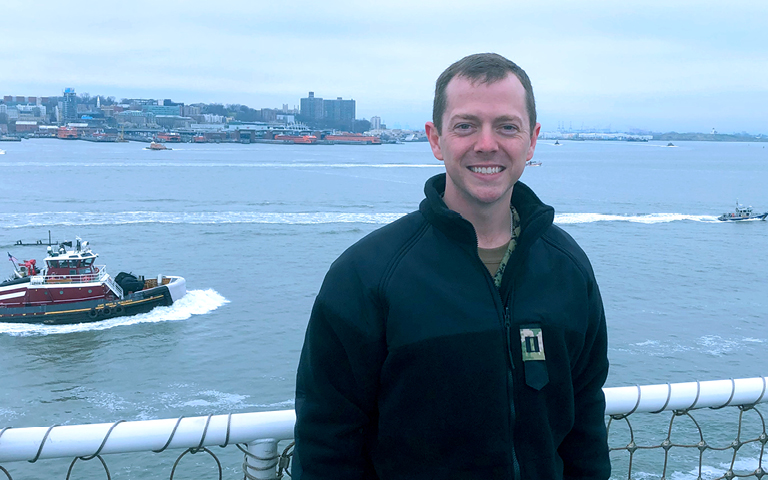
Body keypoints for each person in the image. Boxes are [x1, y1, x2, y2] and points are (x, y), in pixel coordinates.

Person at [294, 52, 610, 479]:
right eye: (465, 126)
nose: (486, 144)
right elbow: (326, 441)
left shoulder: (569, 269)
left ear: (532, 140)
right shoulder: (366, 275)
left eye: (507, 126)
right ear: (435, 138)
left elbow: (585, 425)